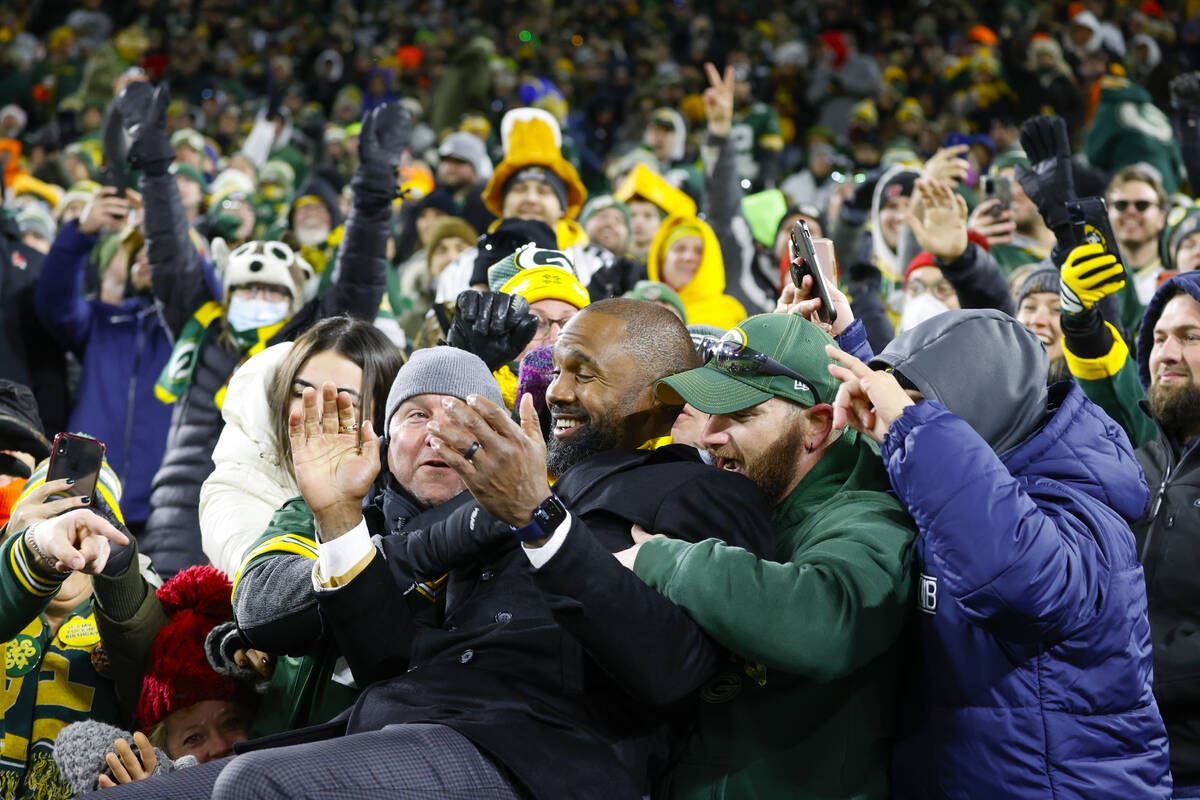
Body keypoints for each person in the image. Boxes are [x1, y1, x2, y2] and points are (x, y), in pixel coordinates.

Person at [100, 299, 774, 800]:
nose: (557, 389)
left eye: (586, 374)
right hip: (395, 731)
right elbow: (386, 660)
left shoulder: (701, 492)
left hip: (539, 761)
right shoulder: (496, 490)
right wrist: (337, 520)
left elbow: (672, 669)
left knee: (255, 790)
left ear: (659, 396)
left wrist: (539, 519)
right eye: (558, 369)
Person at [826, 308, 1172, 799]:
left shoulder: (1082, 511)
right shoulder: (959, 473)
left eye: (924, 410)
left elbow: (1019, 581)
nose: (902, 424)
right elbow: (953, 478)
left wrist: (913, 426)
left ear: (984, 408)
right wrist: (847, 344)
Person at [620, 311, 916, 799]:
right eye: (708, 410)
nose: (711, 435)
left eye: (741, 415)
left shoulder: (868, 516)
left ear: (816, 428)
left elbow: (827, 621)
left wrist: (668, 562)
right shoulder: (748, 496)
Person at [115, 81, 405, 576]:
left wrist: (375, 194)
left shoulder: (313, 345)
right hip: (180, 517)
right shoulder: (202, 327)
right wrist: (155, 168)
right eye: (247, 292)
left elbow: (357, 275)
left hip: (283, 510)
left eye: (272, 292)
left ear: (295, 300)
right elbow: (169, 253)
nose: (257, 300)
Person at [1058, 267, 1200, 793]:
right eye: (1160, 337)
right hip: (1106, 764)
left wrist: (1114, 662)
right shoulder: (1132, 465)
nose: (1167, 353)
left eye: (1190, 337)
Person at [199, 316, 403, 574]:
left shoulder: (404, 485)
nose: (316, 412)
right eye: (301, 393)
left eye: (341, 402)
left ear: (382, 418)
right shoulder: (233, 486)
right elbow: (259, 586)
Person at [34, 186, 174, 538]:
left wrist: (165, 224)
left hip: (162, 509)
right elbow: (54, 301)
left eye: (157, 252)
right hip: (80, 497)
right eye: (139, 254)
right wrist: (81, 233)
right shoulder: (103, 320)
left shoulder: (191, 330)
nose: (146, 259)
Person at [646, 215, 747, 329]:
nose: (689, 257)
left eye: (699, 251)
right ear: (661, 260)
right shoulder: (640, 309)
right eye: (680, 248)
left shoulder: (728, 311)